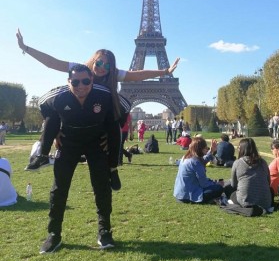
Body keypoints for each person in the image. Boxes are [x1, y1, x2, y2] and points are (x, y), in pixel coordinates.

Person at [18, 29, 178, 172]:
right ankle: (43, 155)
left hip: (98, 113)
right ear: (93, 60)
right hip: (78, 111)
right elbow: (53, 63)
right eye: (99, 63)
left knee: (120, 110)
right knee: (54, 110)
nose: (102, 67)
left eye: (107, 66)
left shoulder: (113, 74)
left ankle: (113, 166)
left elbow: (137, 74)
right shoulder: (81, 69)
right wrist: (25, 48)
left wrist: (164, 71)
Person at [38, 64, 120, 253]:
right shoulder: (59, 96)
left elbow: (119, 116)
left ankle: (105, 231)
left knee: (102, 187)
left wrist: (110, 136)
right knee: (59, 188)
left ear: (92, 80)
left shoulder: (104, 94)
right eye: (75, 82)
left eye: (85, 81)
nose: (80, 85)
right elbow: (45, 108)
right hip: (68, 143)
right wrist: (53, 129)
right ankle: (54, 234)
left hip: (96, 143)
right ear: (69, 83)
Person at [224, 138, 272, 211]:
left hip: (246, 201)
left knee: (231, 192)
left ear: (242, 149)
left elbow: (234, 184)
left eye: (239, 148)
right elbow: (268, 181)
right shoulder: (263, 162)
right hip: (265, 203)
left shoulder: (237, 163)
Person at [173, 136, 223, 204]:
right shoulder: (195, 162)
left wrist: (211, 151)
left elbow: (202, 161)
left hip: (180, 194)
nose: (206, 149)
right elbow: (204, 184)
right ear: (200, 149)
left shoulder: (186, 157)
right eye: (205, 148)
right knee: (219, 188)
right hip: (188, 195)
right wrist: (216, 183)